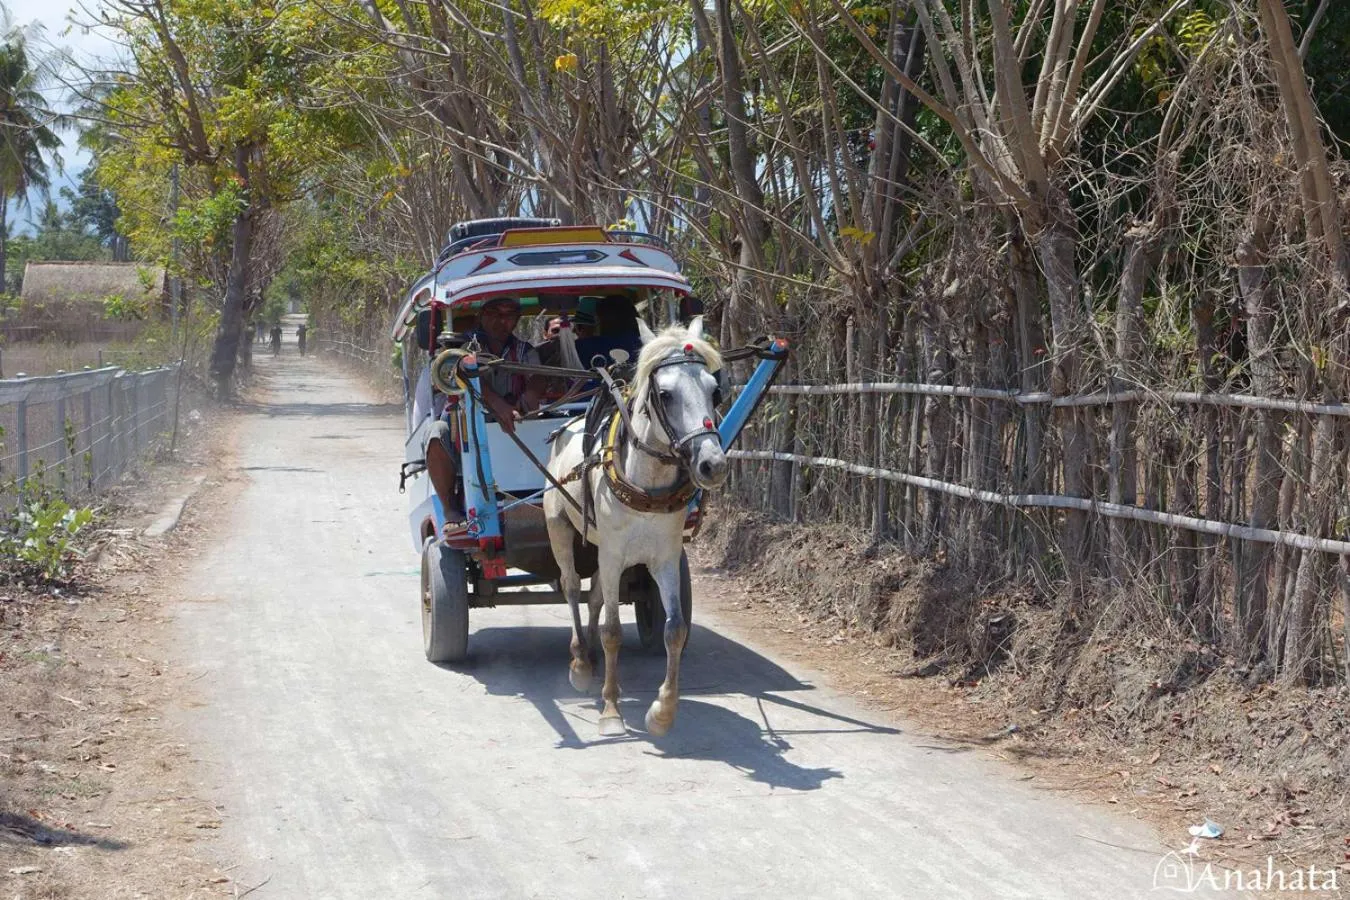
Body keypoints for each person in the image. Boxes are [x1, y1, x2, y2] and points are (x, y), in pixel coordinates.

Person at [423, 297, 542, 532]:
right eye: (495, 313)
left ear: (517, 320)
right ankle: (451, 508)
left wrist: (532, 394)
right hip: (467, 424)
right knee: (436, 433)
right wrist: (498, 405)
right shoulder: (459, 347)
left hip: (516, 424)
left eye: (509, 316)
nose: (502, 321)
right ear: (482, 315)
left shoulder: (524, 350)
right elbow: (460, 374)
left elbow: (537, 376)